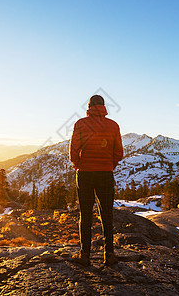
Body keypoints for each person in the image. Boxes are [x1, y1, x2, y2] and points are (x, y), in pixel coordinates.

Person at [69, 94, 123, 266]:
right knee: (107, 214)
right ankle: (110, 254)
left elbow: (74, 148)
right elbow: (118, 152)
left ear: (89, 106)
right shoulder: (113, 125)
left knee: (85, 215)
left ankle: (85, 255)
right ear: (104, 106)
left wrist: (78, 165)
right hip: (105, 174)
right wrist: (110, 165)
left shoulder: (81, 124)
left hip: (85, 174)